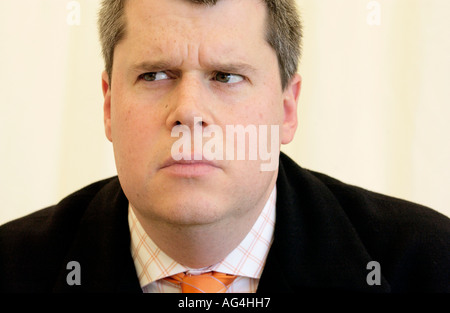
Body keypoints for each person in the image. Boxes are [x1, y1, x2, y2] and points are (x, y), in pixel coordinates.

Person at [0, 0, 449, 293]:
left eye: (226, 76)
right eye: (155, 74)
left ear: (287, 109)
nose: (189, 112)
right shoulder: (14, 269)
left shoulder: (429, 266)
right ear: (109, 105)